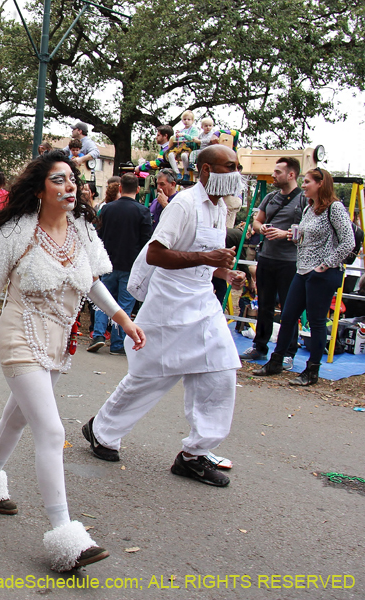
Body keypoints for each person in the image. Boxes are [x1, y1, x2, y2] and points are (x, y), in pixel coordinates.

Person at [0, 150, 145, 572]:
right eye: (58, 180)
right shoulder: (17, 232)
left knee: (19, 417)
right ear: (40, 188)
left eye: (72, 180)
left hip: (60, 340)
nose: (69, 187)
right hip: (19, 335)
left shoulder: (81, 230)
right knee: (51, 428)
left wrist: (122, 319)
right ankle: (66, 536)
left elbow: (93, 283)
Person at [83, 144, 247, 488]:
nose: (235, 173)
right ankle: (102, 430)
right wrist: (208, 259)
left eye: (237, 166)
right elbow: (157, 254)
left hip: (202, 303)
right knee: (152, 376)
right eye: (227, 167)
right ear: (204, 171)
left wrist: (224, 273)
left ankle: (194, 455)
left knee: (220, 372)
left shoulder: (219, 208)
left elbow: (204, 259)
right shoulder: (184, 205)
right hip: (170, 306)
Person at [253, 168, 355, 386]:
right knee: (288, 316)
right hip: (302, 270)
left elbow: (349, 242)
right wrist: (293, 235)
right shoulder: (310, 208)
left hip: (322, 273)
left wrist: (327, 264)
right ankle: (276, 361)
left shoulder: (334, 208)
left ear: (320, 184)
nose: (304, 185)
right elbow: (306, 238)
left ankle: (312, 370)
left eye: (308, 182)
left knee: (317, 322)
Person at [239, 157, 305, 369]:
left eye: (278, 172)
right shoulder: (270, 197)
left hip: (290, 261)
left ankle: (287, 352)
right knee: (264, 305)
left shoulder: (304, 200)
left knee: (289, 308)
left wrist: (286, 233)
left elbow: (308, 230)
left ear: (291, 174)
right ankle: (260, 346)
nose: (274, 175)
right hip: (266, 258)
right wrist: (262, 228)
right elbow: (257, 221)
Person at [88, 173, 152, 354]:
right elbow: (146, 241)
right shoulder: (143, 211)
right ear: (138, 190)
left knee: (103, 300)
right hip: (131, 265)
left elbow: (98, 235)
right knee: (124, 304)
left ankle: (98, 334)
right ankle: (117, 343)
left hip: (108, 262)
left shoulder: (107, 209)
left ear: (120, 188)